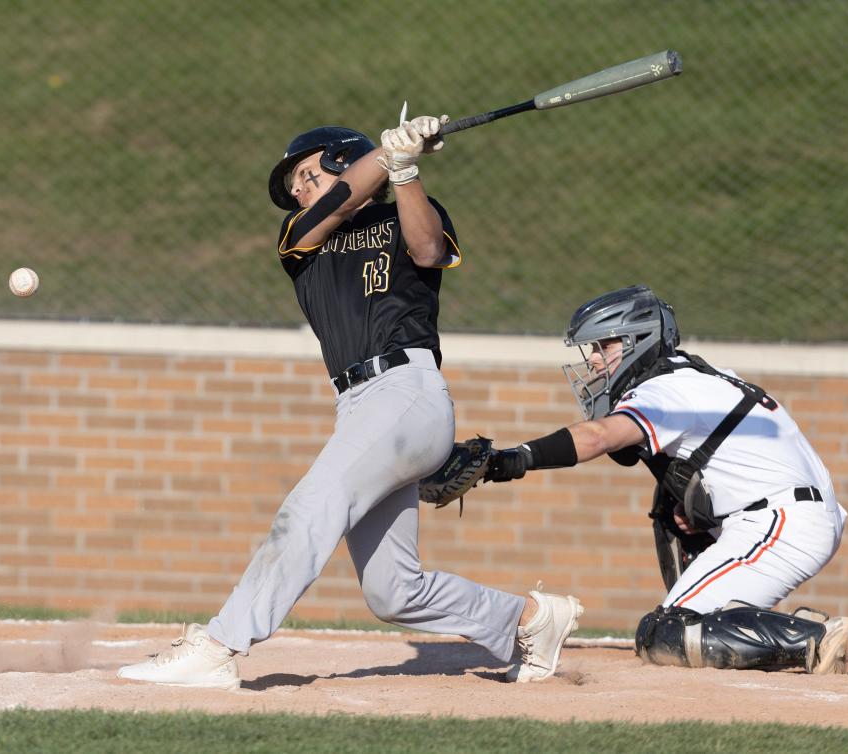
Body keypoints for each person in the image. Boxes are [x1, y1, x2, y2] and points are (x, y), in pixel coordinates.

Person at [116, 112, 583, 689]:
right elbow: (340, 203)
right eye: (296, 188)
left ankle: (219, 645)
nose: (300, 191)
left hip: (406, 391)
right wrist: (388, 155)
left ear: (341, 159)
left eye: (308, 175)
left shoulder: (402, 212)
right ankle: (531, 621)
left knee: (312, 506)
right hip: (360, 406)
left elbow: (429, 248)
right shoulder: (301, 243)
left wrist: (406, 169)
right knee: (393, 591)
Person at [479, 284, 848, 674]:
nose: (595, 361)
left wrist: (510, 459)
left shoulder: (664, 389)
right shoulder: (701, 375)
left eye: (606, 347)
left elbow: (598, 437)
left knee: (664, 633)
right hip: (794, 516)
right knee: (669, 502)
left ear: (640, 341)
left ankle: (817, 638)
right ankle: (789, 628)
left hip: (781, 523)